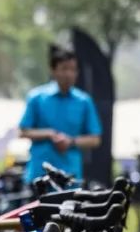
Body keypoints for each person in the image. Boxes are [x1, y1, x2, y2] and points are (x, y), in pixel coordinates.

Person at [18, 45, 102, 183]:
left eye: (73, 69)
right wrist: (49, 133)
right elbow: (22, 131)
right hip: (39, 176)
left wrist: (71, 142)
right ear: (53, 70)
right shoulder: (37, 98)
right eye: (64, 68)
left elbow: (95, 139)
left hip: (70, 176)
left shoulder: (84, 101)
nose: (69, 74)